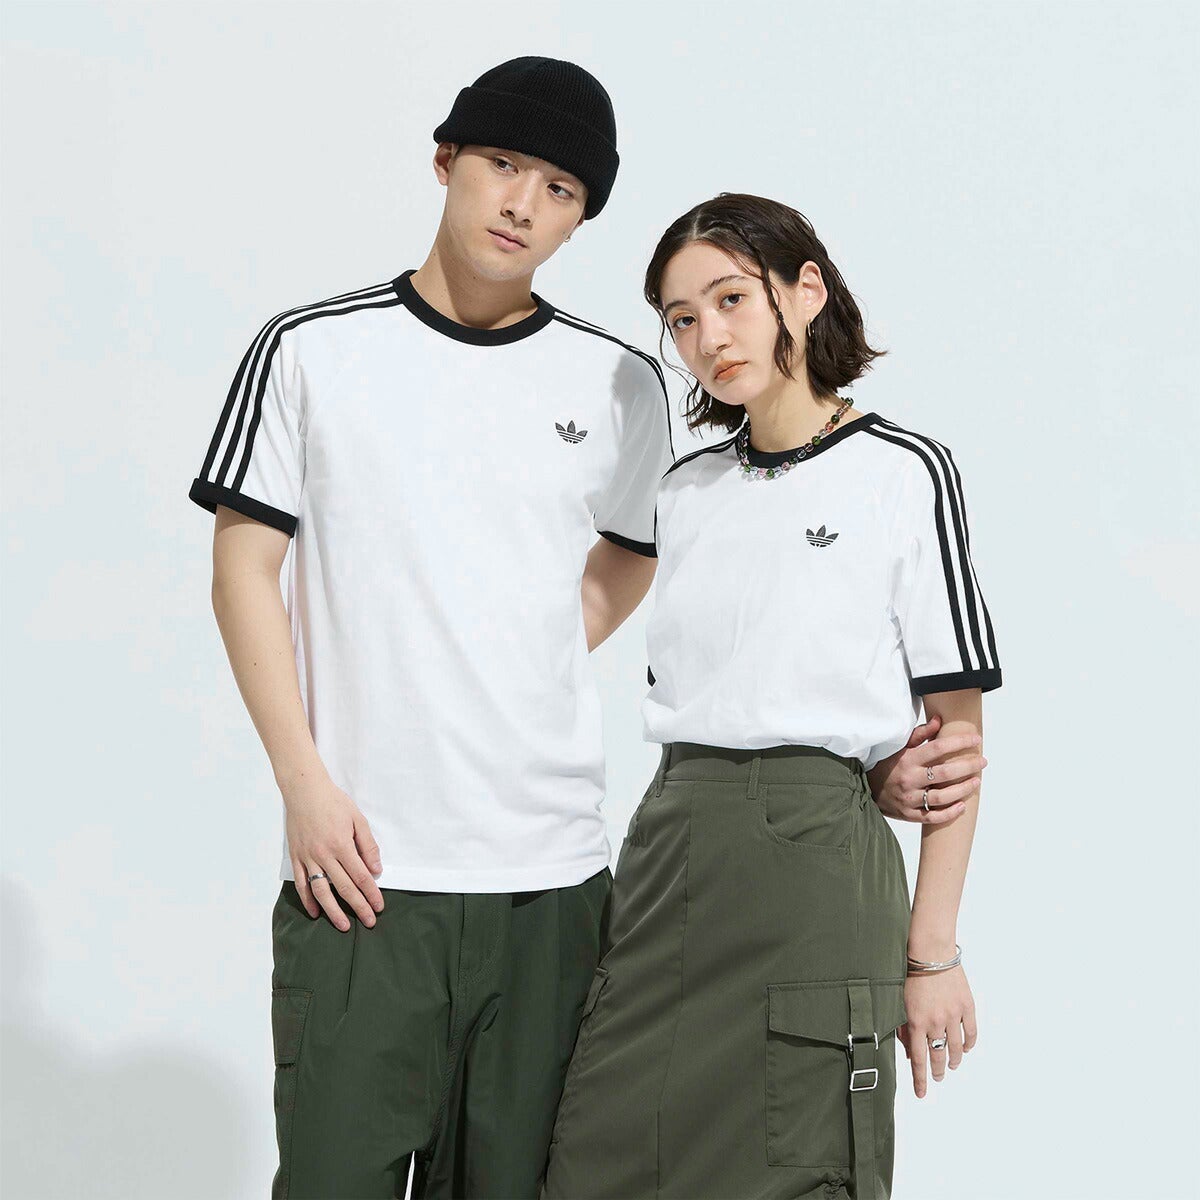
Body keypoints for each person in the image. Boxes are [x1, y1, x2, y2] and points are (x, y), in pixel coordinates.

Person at [188, 56, 678, 1200]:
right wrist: (304, 785)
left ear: (581, 216)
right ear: (447, 160)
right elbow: (242, 571)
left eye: (560, 188)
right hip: (360, 871)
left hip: (551, 885)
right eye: (503, 164)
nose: (523, 203)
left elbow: (635, 551)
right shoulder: (311, 349)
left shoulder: (618, 381)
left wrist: (529, 650)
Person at [542, 193, 1002, 1200]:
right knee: (595, 1160)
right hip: (670, 853)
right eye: (680, 319)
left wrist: (932, 954)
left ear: (806, 290)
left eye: (730, 299)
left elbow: (956, 743)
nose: (708, 338)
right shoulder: (682, 490)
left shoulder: (903, 473)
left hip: (816, 875)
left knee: (800, 1164)